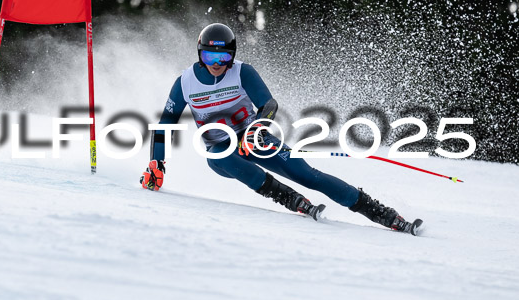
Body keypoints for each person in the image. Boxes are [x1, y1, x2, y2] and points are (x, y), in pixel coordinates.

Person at [140, 23, 422, 235]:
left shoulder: (242, 72)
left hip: (255, 138)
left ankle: (382, 213)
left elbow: (269, 105)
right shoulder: (185, 82)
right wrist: (157, 162)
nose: (217, 65)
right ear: (200, 55)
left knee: (308, 174)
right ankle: (289, 198)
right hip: (221, 147)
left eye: (224, 58)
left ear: (232, 56)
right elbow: (165, 124)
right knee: (217, 155)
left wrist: (256, 131)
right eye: (211, 58)